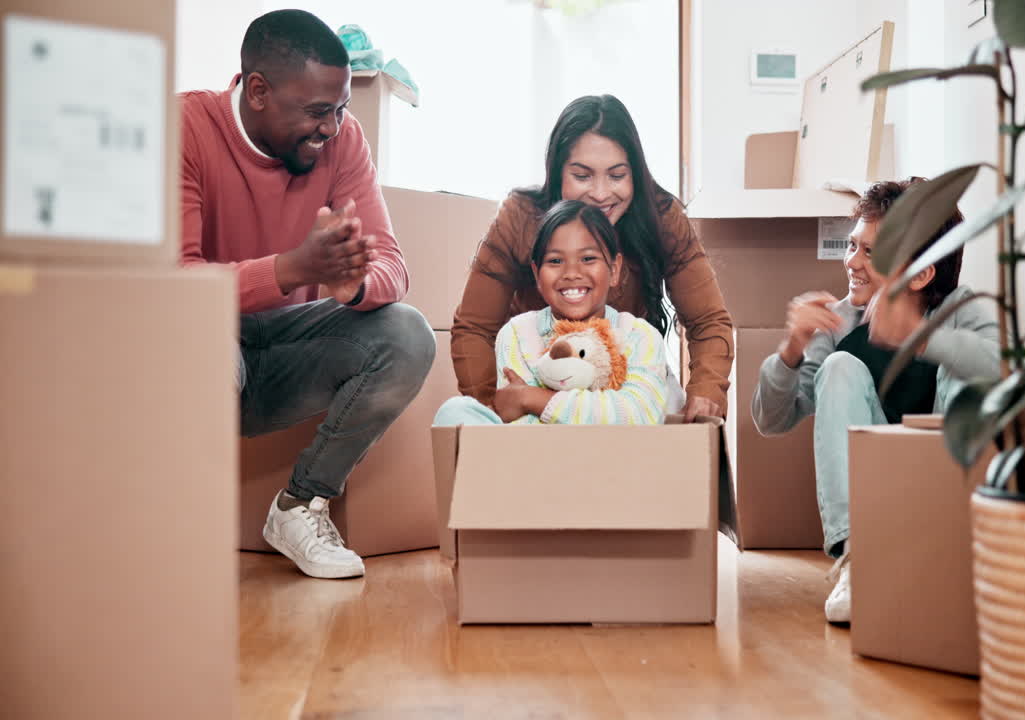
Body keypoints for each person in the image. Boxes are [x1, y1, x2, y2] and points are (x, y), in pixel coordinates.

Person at [181, 10, 433, 579]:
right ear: (260, 91)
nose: (333, 126)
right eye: (318, 111)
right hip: (204, 344)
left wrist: (355, 286)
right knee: (197, 336)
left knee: (406, 334)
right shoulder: (187, 127)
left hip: (284, 351)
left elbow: (391, 263)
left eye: (340, 108)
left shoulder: (342, 141)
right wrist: (290, 268)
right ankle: (179, 520)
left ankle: (300, 506)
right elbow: (175, 284)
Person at [751, 179, 1000, 623]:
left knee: (969, 373)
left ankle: (957, 553)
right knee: (840, 366)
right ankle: (858, 561)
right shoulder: (839, 323)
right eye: (853, 247)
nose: (853, 263)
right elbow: (770, 421)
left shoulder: (960, 308)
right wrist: (791, 348)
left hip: (943, 494)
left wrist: (919, 337)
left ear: (923, 273)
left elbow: (1003, 369)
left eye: (872, 252)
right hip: (874, 504)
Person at [451, 94, 732, 421]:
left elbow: (708, 321)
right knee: (456, 414)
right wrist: (493, 409)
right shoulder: (521, 218)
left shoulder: (661, 219)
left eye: (616, 176)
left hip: (622, 385)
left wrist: (706, 392)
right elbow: (474, 327)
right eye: (582, 176)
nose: (600, 194)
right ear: (557, 173)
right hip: (536, 381)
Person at [435, 200, 668, 426]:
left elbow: (640, 415)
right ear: (537, 274)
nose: (571, 272)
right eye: (555, 261)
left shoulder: (639, 335)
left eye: (588, 259)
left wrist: (532, 398)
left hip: (615, 459)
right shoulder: (517, 333)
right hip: (539, 460)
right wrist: (598, 413)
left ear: (614, 270)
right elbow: (522, 424)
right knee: (455, 411)